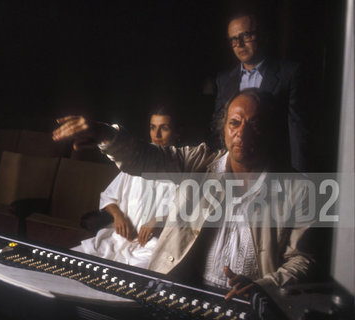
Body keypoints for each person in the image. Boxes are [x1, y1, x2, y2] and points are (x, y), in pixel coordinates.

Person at [53, 88, 315, 300]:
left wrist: (264, 287)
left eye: (255, 125)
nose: (241, 134)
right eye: (234, 123)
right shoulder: (201, 164)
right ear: (224, 129)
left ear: (271, 131)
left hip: (247, 306)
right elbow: (145, 157)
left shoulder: (299, 189)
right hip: (186, 293)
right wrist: (103, 132)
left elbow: (302, 260)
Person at [72, 108, 178, 269]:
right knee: (74, 260)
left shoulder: (186, 167)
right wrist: (118, 215)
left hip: (153, 248)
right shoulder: (138, 164)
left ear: (177, 131)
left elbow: (190, 215)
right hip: (118, 240)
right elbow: (108, 197)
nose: (156, 135)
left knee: (125, 278)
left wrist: (159, 220)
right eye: (152, 127)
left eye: (164, 128)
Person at [214, 8, 308, 172]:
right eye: (234, 39)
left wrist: (301, 177)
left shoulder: (289, 74)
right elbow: (221, 132)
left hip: (275, 171)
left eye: (246, 36)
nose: (240, 44)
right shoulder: (224, 80)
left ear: (263, 35)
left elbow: (297, 133)